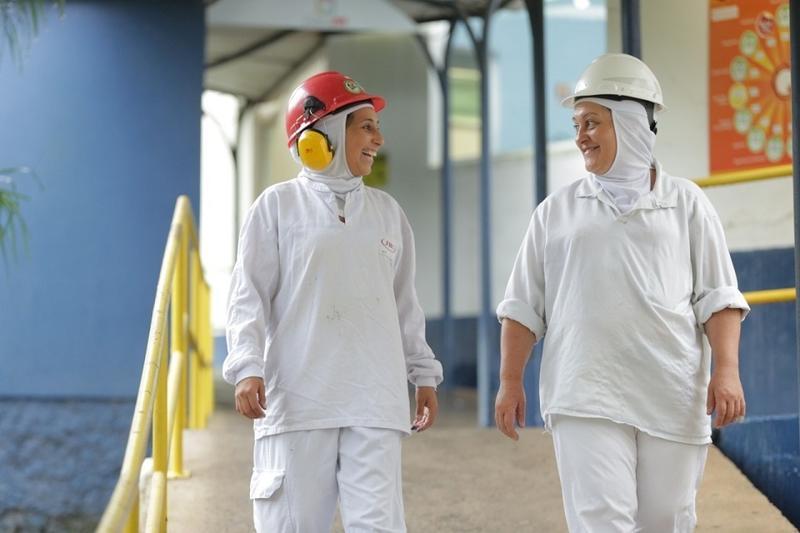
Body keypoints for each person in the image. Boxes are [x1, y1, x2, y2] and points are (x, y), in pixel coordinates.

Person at [494, 53, 750, 532]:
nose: (580, 137)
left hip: (672, 393)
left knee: (667, 519)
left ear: (632, 123)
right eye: (576, 124)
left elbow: (718, 297)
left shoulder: (687, 204)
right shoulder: (556, 212)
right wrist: (510, 382)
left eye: (592, 122)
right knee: (601, 522)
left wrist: (727, 372)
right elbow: (522, 307)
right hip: (584, 392)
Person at [223, 71, 443, 533]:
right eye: (366, 127)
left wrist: (423, 372)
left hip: (375, 401)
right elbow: (248, 295)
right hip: (298, 401)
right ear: (320, 137)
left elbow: (404, 303)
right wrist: (246, 366)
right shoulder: (276, 207)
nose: (378, 139)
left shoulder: (387, 213)